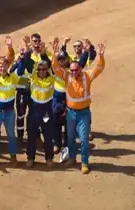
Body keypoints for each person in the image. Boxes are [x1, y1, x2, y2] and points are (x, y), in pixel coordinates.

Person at [52, 39, 106, 174]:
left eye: (76, 70)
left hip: (83, 113)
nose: (74, 72)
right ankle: (71, 159)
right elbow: (56, 68)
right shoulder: (67, 76)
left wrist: (100, 56)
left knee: (83, 140)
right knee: (70, 138)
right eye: (72, 70)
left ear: (80, 69)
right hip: (70, 113)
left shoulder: (87, 76)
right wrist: (54, 55)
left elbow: (98, 68)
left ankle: (84, 162)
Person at [58, 36, 97, 142]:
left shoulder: (86, 57)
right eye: (75, 46)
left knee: (86, 110)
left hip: (84, 86)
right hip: (72, 87)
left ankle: (87, 131)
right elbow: (63, 57)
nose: (77, 48)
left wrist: (89, 46)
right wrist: (64, 44)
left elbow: (93, 55)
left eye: (79, 46)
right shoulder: (72, 59)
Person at [17, 33, 53, 141]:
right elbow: (18, 67)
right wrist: (25, 52)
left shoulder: (45, 53)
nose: (37, 43)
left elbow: (50, 65)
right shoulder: (24, 52)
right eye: (34, 41)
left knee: (35, 113)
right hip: (23, 87)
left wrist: (44, 54)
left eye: (38, 41)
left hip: (37, 89)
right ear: (31, 42)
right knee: (21, 113)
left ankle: (35, 134)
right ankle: (20, 136)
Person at [23, 55, 57, 168]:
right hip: (34, 112)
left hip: (46, 113)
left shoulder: (52, 78)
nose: (41, 71)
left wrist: (44, 53)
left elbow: (53, 65)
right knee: (31, 136)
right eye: (39, 69)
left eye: (44, 69)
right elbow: (28, 63)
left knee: (47, 135)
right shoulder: (33, 77)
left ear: (47, 69)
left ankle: (49, 158)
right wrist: (27, 51)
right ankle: (30, 158)